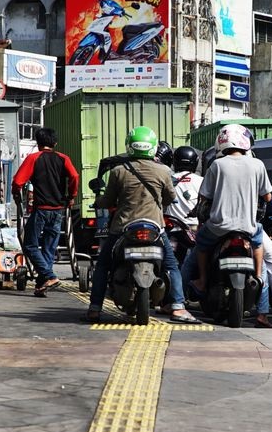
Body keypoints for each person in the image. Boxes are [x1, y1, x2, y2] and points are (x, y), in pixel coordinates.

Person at [84, 127, 197, 323]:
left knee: (103, 265)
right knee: (171, 266)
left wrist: (99, 200)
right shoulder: (164, 171)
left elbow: (108, 200)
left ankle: (95, 308)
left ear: (130, 146)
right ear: (152, 148)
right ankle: (178, 307)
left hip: (122, 229)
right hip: (155, 228)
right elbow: (170, 197)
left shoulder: (118, 171)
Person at [190, 124, 272, 327]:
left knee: (200, 243)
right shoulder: (257, 165)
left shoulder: (217, 166)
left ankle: (201, 280)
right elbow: (268, 196)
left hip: (218, 227)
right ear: (245, 142)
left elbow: (204, 196)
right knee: (259, 251)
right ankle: (259, 286)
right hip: (248, 227)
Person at [13, 127, 79, 297]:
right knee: (49, 247)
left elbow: (18, 181)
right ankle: (43, 283)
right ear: (55, 143)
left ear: (38, 143)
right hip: (58, 210)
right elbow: (74, 177)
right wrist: (71, 195)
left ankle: (49, 276)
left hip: (41, 209)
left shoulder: (34, 158)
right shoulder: (63, 159)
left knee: (29, 245)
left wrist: (16, 195)